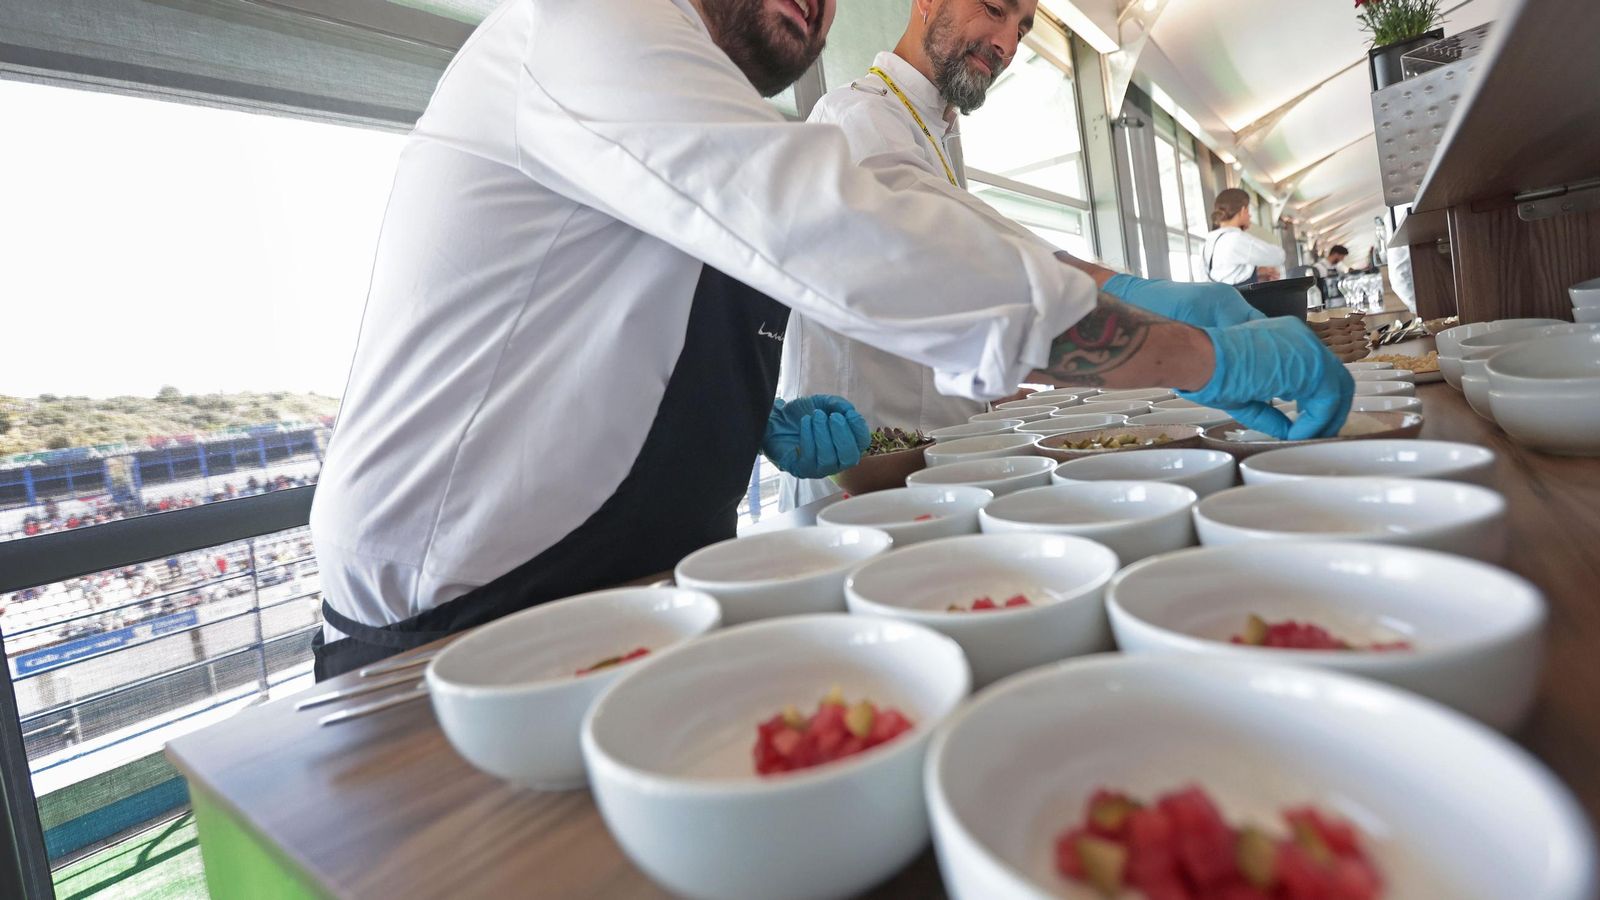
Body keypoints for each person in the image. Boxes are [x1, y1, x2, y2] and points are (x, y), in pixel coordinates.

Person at [308, 0, 1352, 679]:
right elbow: (843, 231)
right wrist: (1195, 358)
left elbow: (617, 324)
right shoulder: (585, 21)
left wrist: (743, 417)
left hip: (625, 599)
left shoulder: (700, 107)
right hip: (451, 625)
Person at [778, 0, 1269, 509]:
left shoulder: (926, 129)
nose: (1008, 45)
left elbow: (939, 316)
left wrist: (991, 392)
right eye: (994, 9)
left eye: (1024, 28)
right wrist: (1122, 292)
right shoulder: (856, 115)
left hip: (936, 476)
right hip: (855, 483)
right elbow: (952, 249)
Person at [1204, 188, 1286, 287]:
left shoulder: (1208, 243)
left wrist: (1257, 273)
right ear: (1243, 211)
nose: (1250, 216)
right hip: (1239, 301)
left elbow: (1226, 275)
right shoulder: (1235, 239)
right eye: (1248, 211)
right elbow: (1279, 256)